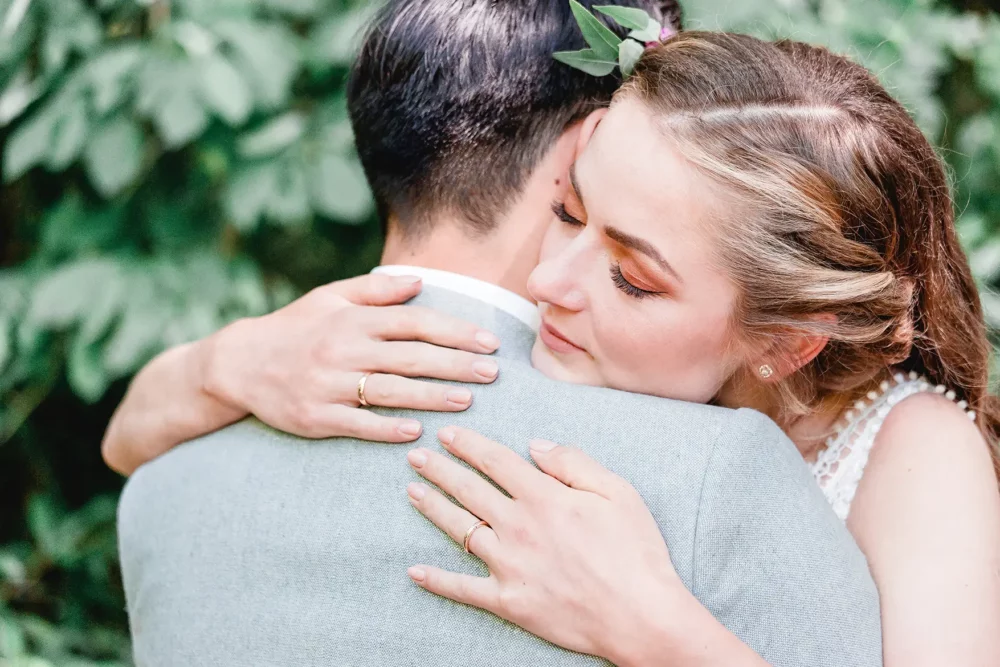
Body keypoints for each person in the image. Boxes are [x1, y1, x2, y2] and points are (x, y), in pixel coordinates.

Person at [108, 2, 885, 667]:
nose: (556, 283)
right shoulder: (723, 480)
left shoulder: (164, 483)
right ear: (593, 140)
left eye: (636, 278)